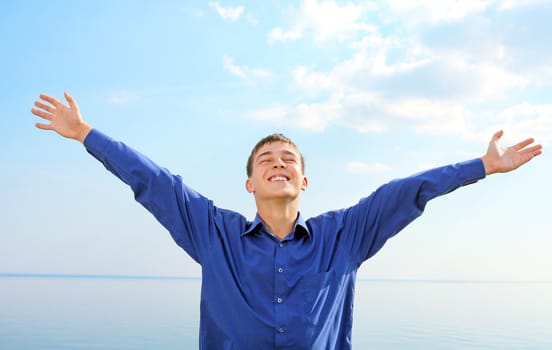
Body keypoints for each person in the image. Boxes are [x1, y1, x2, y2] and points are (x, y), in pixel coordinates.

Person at [32, 92, 542, 350]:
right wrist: (85, 134)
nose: (278, 162)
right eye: (266, 159)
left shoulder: (344, 236)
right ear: (250, 184)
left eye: (289, 159)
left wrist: (481, 167)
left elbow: (406, 192)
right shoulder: (215, 235)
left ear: (304, 181)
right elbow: (155, 181)